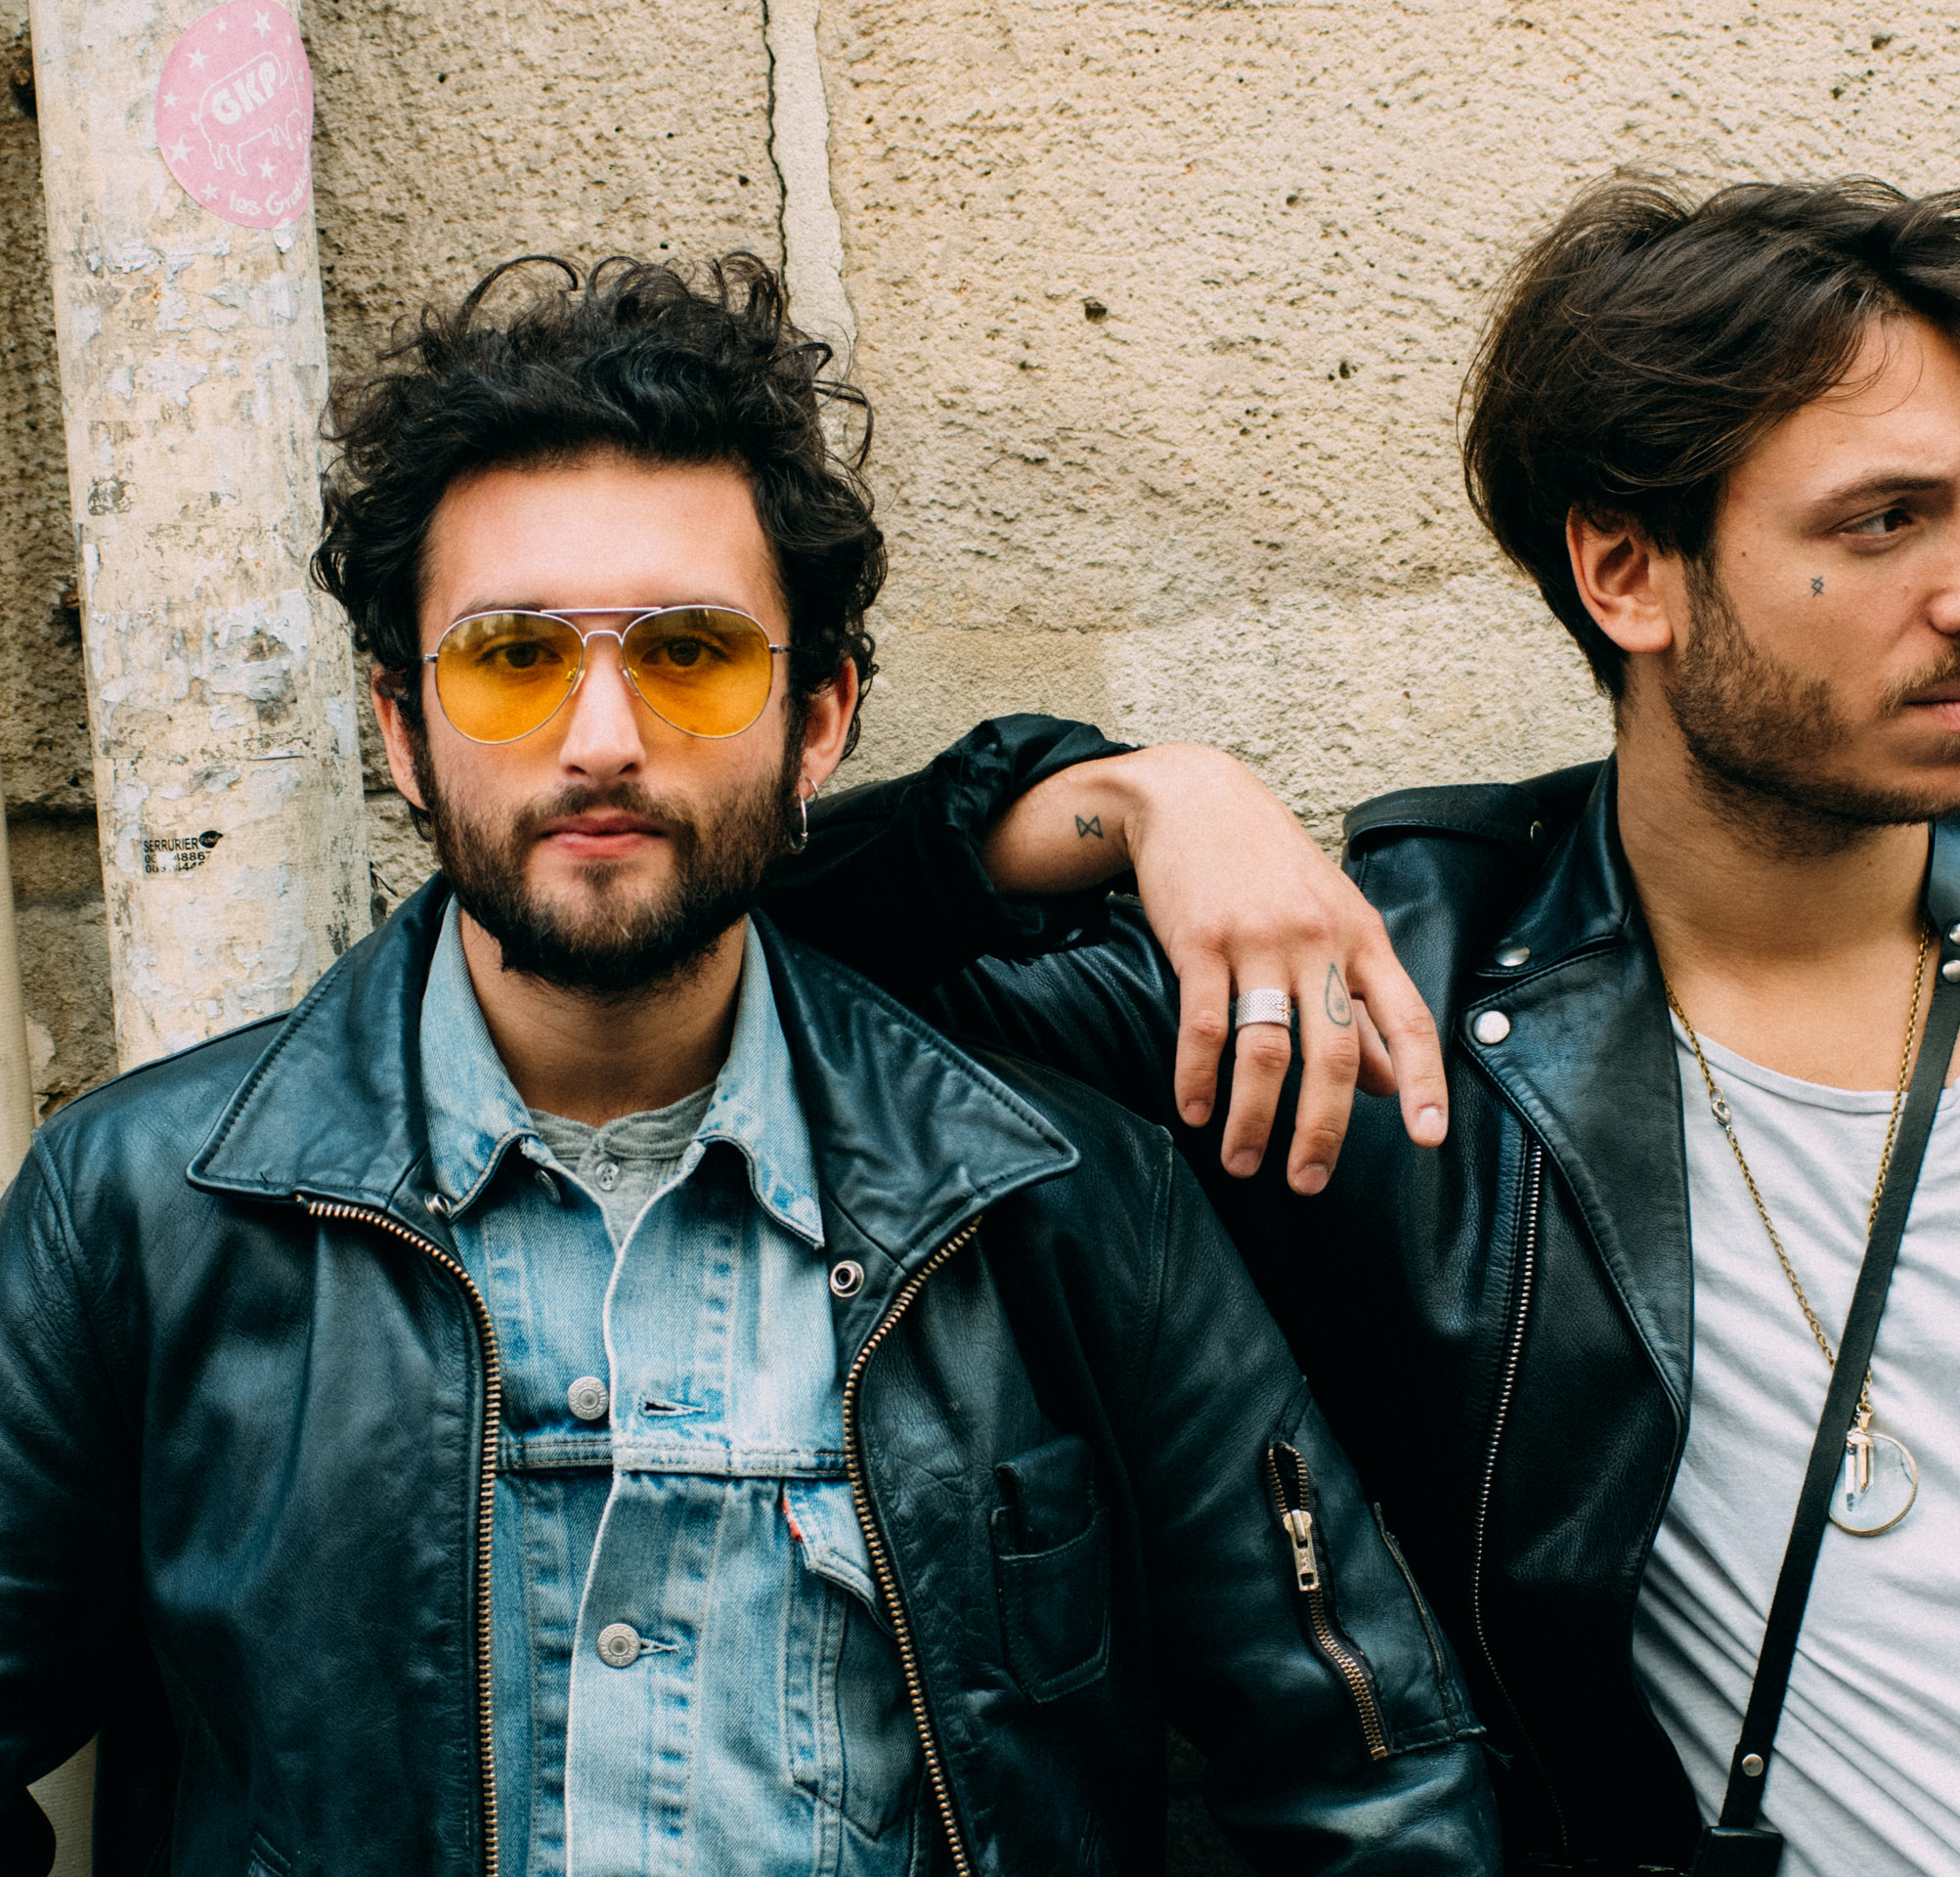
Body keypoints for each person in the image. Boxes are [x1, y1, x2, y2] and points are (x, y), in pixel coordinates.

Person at [782, 181, 1960, 1874]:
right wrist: (1137, 796)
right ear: (1626, 572)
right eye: (1888, 519)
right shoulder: (1388, 1027)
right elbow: (741, 937)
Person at [0, 254, 1501, 1876]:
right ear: (401, 729)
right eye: (511, 657)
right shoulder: (141, 1209)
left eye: (691, 654)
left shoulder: (1059, 1207)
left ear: (820, 721)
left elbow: (1373, 1792)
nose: (601, 739)